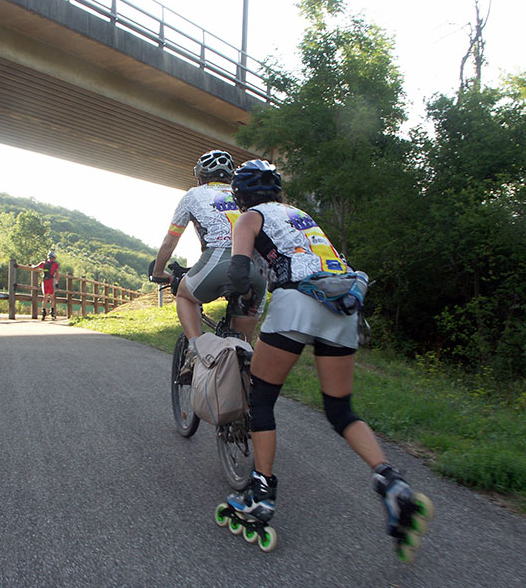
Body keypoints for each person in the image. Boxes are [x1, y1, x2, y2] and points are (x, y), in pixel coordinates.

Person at [224, 158, 433, 558]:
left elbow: (238, 271)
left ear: (242, 195)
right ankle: (392, 483)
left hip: (297, 301)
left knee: (262, 397)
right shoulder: (301, 216)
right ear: (278, 191)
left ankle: (261, 493)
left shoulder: (249, 217)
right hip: (342, 304)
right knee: (340, 410)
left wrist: (236, 299)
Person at [152, 150, 267, 372]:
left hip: (219, 259)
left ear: (200, 177)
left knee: (184, 294)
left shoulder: (193, 195)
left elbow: (170, 241)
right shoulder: (244, 197)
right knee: (241, 353)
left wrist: (158, 272)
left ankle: (195, 347)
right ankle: (245, 403)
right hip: (256, 271)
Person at [33, 251, 59, 320]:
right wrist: (57, 281)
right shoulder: (55, 264)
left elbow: (35, 267)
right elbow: (57, 273)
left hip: (45, 281)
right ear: (53, 258)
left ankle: (43, 312)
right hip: (51, 281)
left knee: (45, 297)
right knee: (52, 297)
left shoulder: (43, 263)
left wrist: (31, 266)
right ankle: (52, 313)